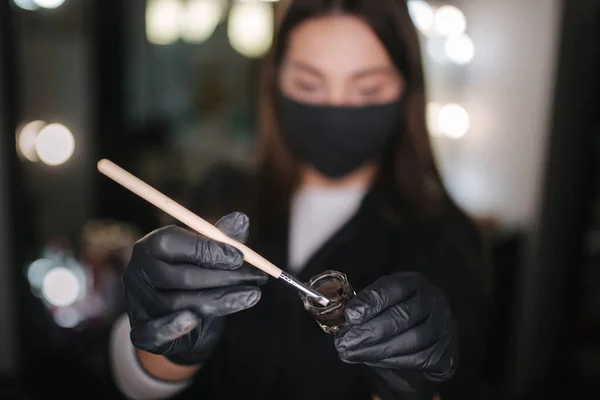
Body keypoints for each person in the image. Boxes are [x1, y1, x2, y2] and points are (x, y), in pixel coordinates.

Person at [109, 1, 489, 399]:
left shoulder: (447, 241)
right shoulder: (220, 197)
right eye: (309, 85)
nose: (336, 108)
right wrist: (164, 341)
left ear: (406, 90)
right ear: (275, 83)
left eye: (367, 89)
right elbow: (136, 381)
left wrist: (417, 387)